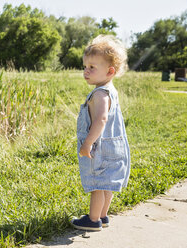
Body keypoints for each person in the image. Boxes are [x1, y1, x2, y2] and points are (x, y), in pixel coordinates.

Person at [71, 35, 130, 231]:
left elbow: (101, 119)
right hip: (113, 144)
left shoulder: (99, 94)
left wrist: (88, 142)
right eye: (85, 67)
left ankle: (93, 219)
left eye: (92, 67)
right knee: (107, 183)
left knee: (97, 183)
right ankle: (103, 215)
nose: (86, 71)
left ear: (110, 71)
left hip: (100, 146)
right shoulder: (110, 89)